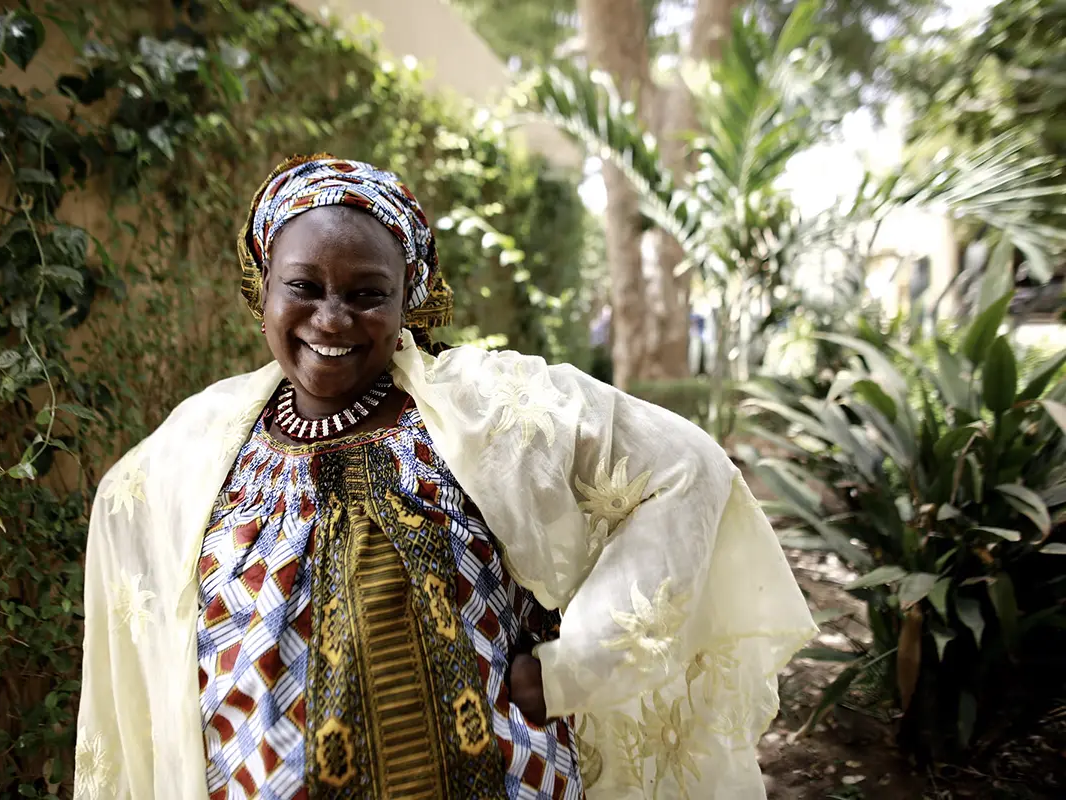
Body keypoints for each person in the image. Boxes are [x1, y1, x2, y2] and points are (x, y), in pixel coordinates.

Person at [74, 155, 815, 800]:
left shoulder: (489, 411)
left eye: (367, 293)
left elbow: (686, 467)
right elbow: (127, 528)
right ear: (260, 289)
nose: (331, 320)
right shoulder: (196, 447)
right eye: (303, 287)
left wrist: (576, 667)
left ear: (409, 299)